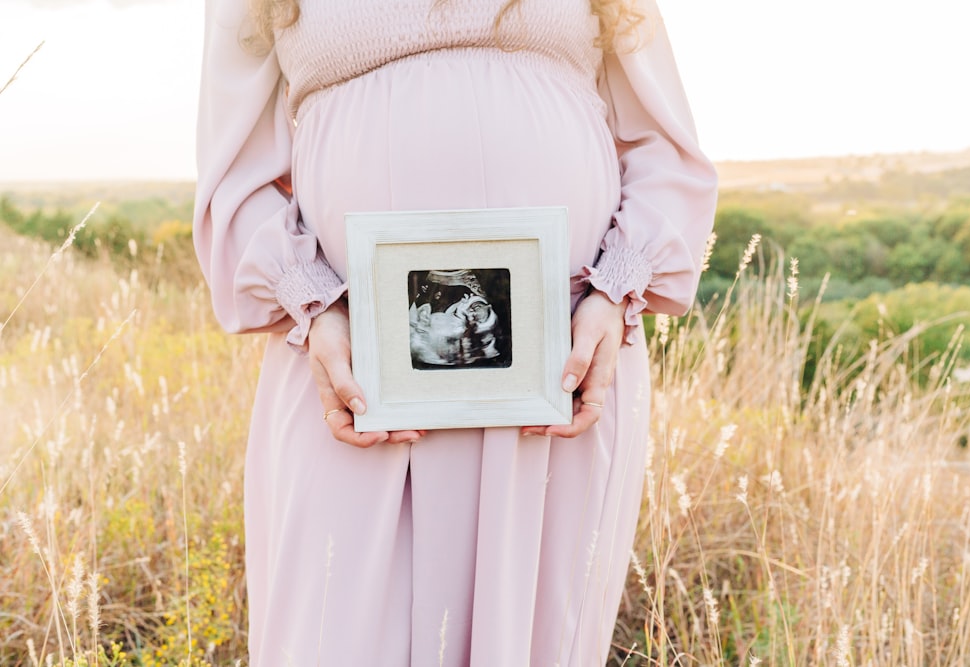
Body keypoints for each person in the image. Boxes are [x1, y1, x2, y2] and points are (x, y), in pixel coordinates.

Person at [192, 0, 717, 664]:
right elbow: (233, 172)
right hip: (345, 365)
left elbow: (665, 147)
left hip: (561, 367)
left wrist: (616, 290)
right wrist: (311, 303)